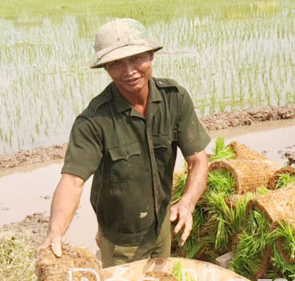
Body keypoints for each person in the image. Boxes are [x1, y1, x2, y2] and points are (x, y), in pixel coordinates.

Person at [38, 18, 210, 266]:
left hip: (162, 227)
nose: (129, 71)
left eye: (136, 58)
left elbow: (198, 160)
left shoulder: (175, 99)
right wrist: (55, 231)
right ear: (106, 68)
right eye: (116, 63)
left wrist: (187, 203)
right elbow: (73, 182)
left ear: (151, 55)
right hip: (121, 240)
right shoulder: (94, 121)